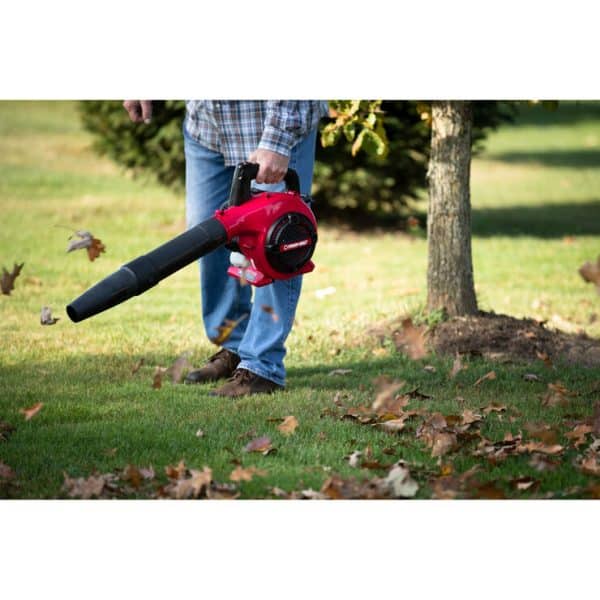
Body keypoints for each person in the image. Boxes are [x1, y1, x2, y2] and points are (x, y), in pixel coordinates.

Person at [123, 100, 327, 397]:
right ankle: (235, 345)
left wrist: (278, 139)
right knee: (208, 234)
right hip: (208, 126)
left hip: (271, 126)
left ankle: (261, 367)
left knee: (277, 246)